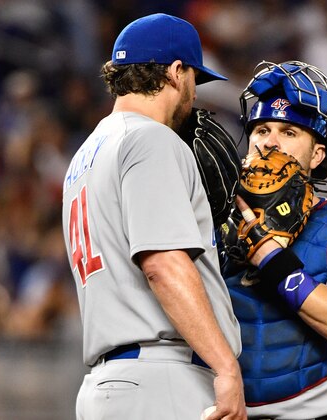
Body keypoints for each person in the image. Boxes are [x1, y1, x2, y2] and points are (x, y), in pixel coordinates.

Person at [61, 13, 246, 420]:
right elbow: (162, 264)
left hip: (110, 384)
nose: (195, 95)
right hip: (163, 381)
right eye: (195, 78)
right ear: (176, 72)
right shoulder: (150, 139)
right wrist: (226, 366)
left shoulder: (85, 155)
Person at [223, 61, 327, 420]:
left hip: (326, 413)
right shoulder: (212, 220)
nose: (270, 141)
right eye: (262, 129)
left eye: (288, 132)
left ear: (317, 154)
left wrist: (268, 256)